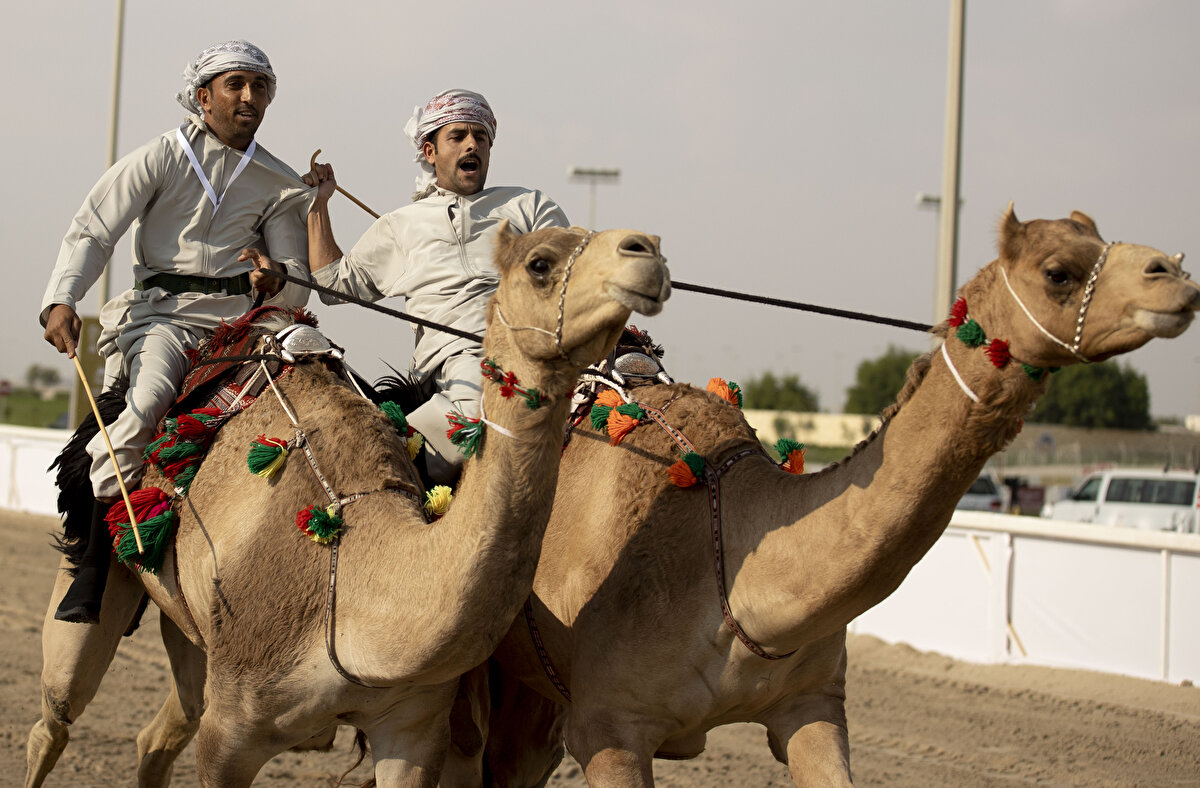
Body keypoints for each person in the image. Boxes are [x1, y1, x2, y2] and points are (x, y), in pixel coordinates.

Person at [40, 40, 314, 624]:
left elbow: (297, 288)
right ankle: (93, 567)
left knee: (323, 390)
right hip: (164, 316)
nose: (249, 97)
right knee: (147, 402)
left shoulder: (282, 181)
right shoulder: (161, 156)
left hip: (247, 326)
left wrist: (276, 281)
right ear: (202, 96)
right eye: (235, 84)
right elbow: (93, 230)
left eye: (260, 87)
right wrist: (62, 297)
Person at [304, 88, 569, 483]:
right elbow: (332, 283)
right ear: (430, 152)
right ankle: (402, 450)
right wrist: (318, 204)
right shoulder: (402, 224)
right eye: (458, 136)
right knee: (474, 419)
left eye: (480, 137)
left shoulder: (528, 204)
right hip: (463, 358)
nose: (471, 144)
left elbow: (569, 269)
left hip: (542, 344)